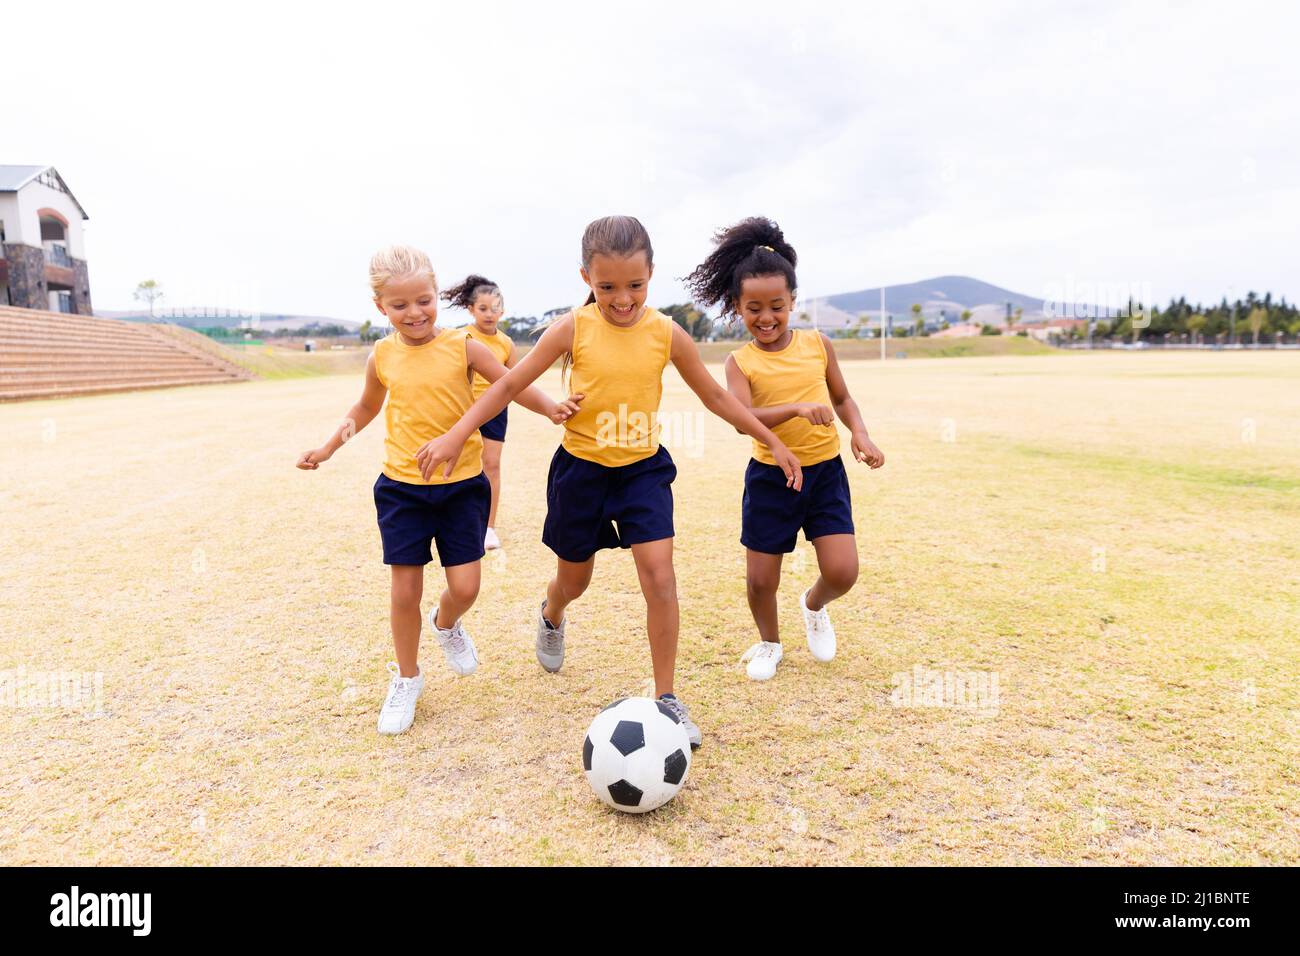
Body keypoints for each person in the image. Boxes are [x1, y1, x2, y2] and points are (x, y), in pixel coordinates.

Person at [414, 215, 804, 746]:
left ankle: (667, 698)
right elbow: (507, 384)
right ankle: (552, 614)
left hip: (643, 471)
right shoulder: (573, 327)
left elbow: (718, 398)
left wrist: (774, 441)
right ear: (586, 279)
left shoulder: (666, 332)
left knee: (660, 577)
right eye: (608, 288)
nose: (623, 300)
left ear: (651, 275)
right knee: (574, 580)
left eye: (635, 286)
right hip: (582, 473)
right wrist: (458, 434)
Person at [296, 245, 581, 734]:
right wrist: (328, 447)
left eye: (423, 300)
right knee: (404, 589)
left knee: (465, 587)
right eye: (400, 305)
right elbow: (365, 409)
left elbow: (510, 384)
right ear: (380, 307)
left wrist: (551, 407)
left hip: (463, 489)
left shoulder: (463, 346)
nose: (415, 313)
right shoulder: (382, 356)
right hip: (401, 490)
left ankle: (446, 623)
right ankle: (407, 677)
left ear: (436, 297)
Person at [684, 217, 884, 681]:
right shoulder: (741, 362)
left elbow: (842, 398)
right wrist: (795, 408)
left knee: (843, 572)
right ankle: (769, 643)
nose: (767, 317)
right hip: (771, 478)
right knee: (760, 580)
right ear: (737, 307)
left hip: (825, 472)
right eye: (754, 308)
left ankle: (813, 606)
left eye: (777, 305)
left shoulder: (818, 344)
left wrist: (860, 432)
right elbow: (741, 419)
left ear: (793, 300)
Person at [442, 275, 514, 551]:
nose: (489, 314)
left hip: (495, 412)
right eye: (482, 308)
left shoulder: (506, 343)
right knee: (459, 463)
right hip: (463, 410)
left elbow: (514, 381)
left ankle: (489, 527)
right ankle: (454, 518)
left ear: (503, 311)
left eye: (495, 308)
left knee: (491, 465)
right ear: (471, 309)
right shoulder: (461, 338)